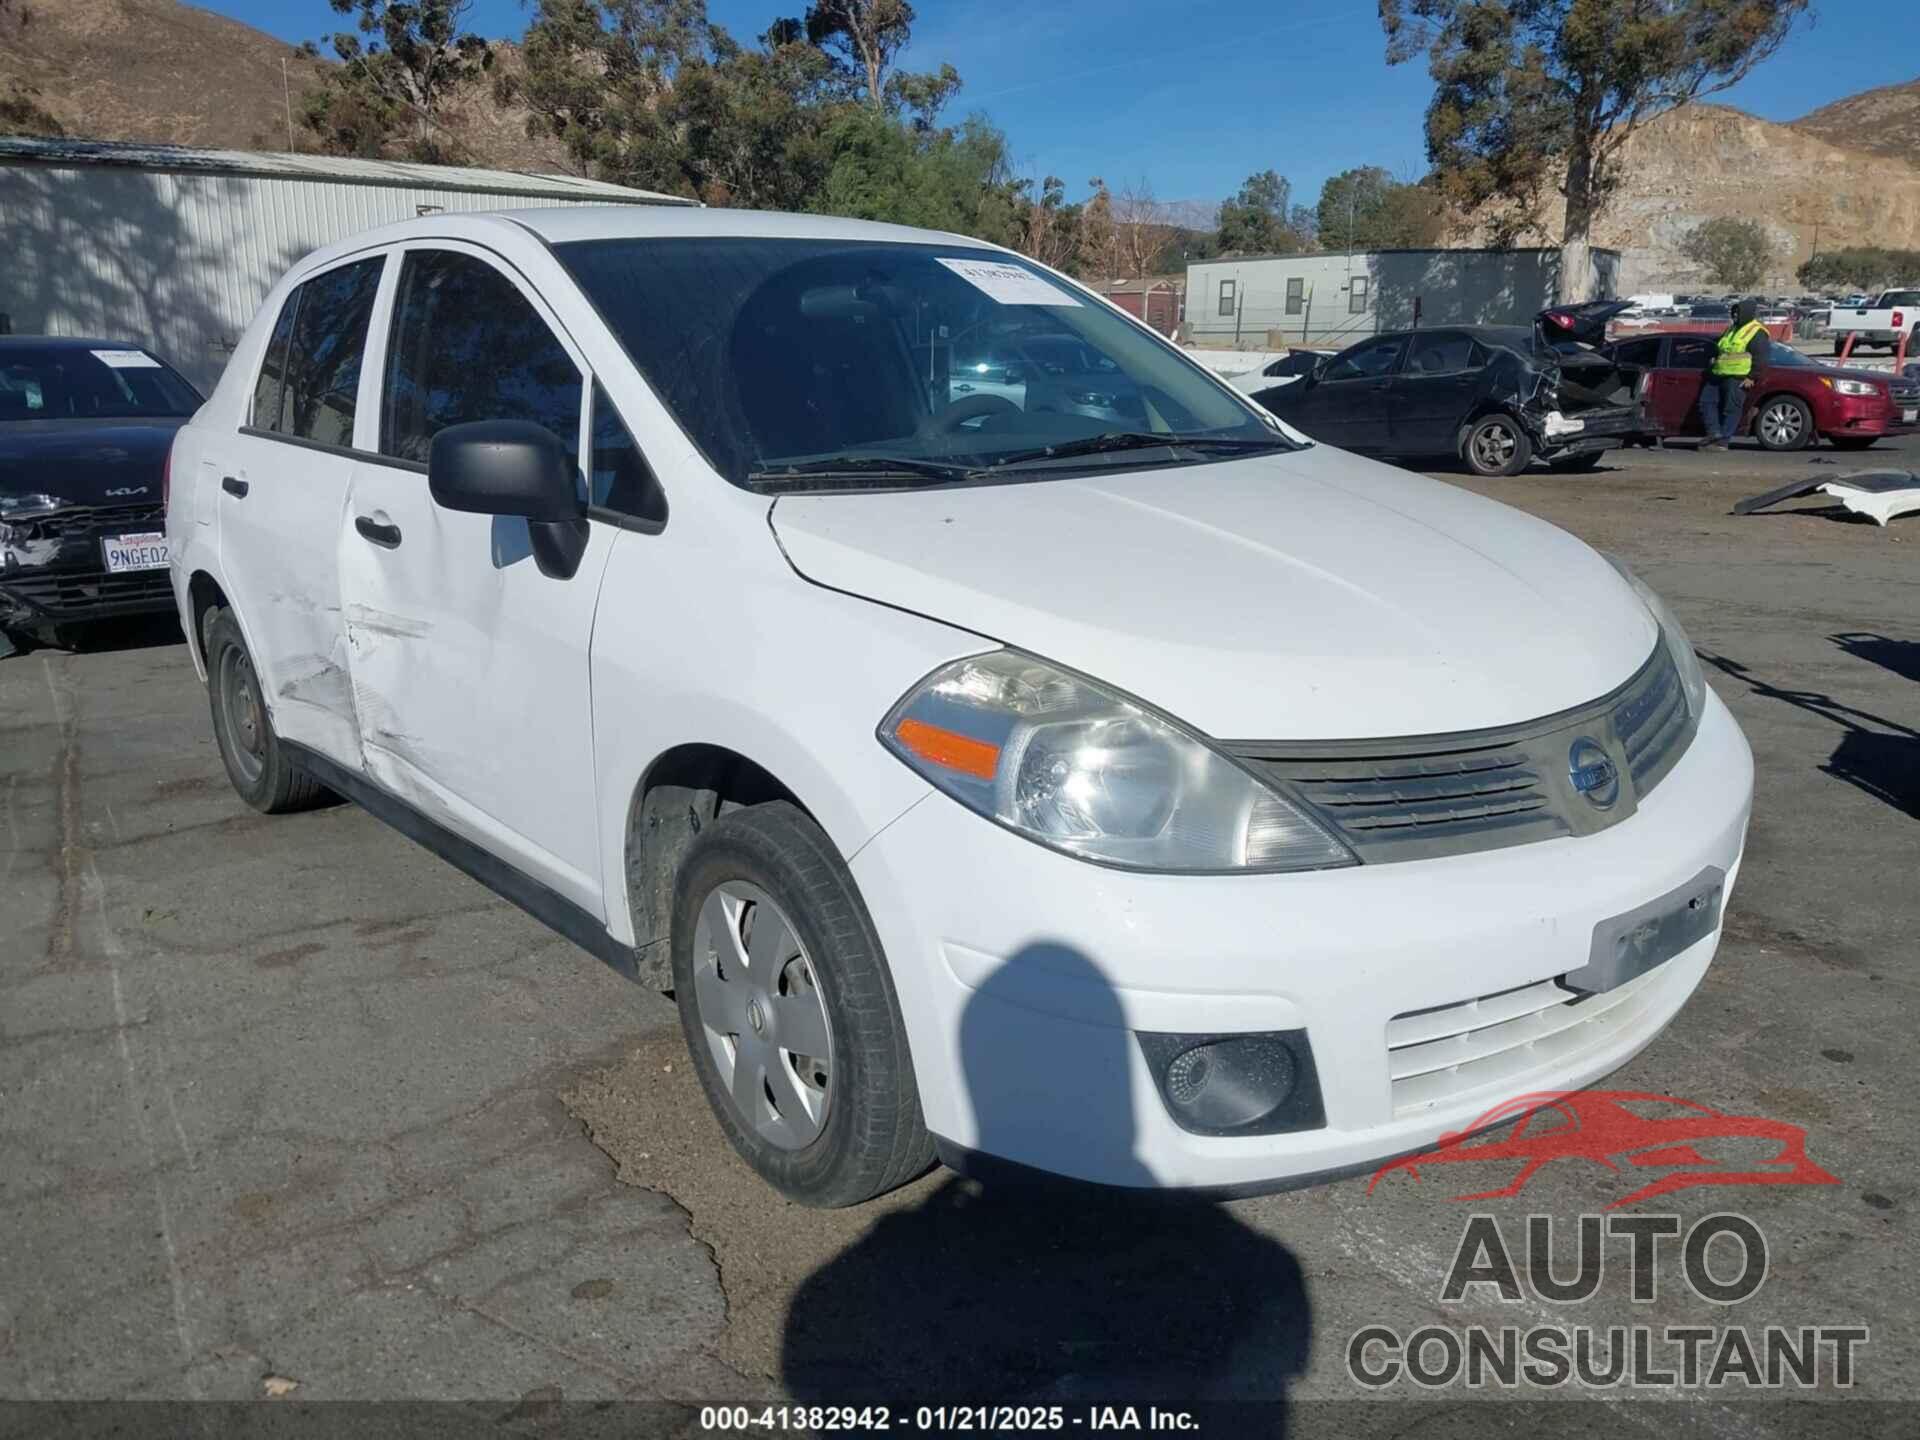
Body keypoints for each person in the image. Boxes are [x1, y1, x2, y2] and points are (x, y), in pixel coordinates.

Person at [1699, 298, 1770, 450]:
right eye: (1734, 312)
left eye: (1738, 312)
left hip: (1739, 376)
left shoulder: (1757, 332)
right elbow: (1721, 347)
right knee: (1706, 402)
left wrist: (1752, 376)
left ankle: (1723, 442)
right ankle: (1714, 433)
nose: (1735, 315)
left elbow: (1761, 357)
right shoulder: (1731, 329)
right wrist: (1713, 358)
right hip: (1718, 373)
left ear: (1747, 313)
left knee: (1731, 409)